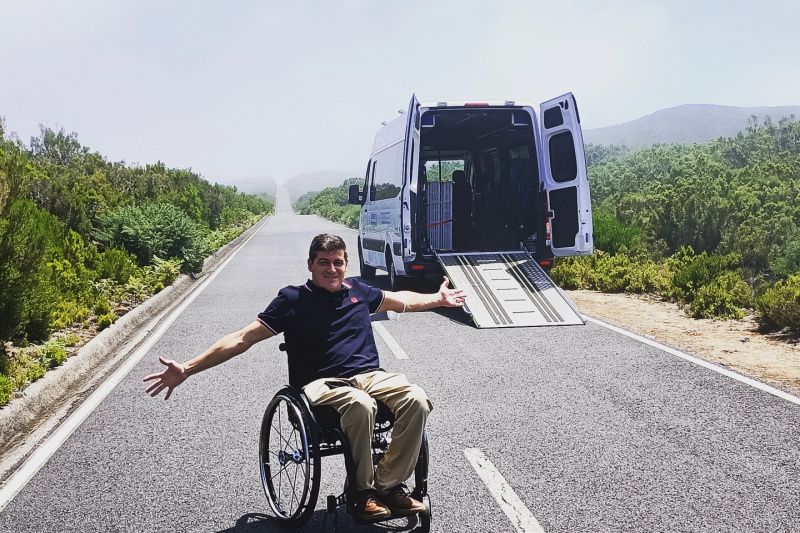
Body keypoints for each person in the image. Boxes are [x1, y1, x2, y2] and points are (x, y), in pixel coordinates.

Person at [144, 233, 465, 521]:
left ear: (345, 264)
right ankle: (362, 494)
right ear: (311, 265)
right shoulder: (292, 300)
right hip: (321, 385)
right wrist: (187, 368)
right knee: (361, 405)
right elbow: (242, 338)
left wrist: (438, 300)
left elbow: (403, 300)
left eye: (338, 263)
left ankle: (388, 484)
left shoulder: (359, 292)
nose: (332, 269)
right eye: (323, 262)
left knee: (417, 400)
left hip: (369, 375)